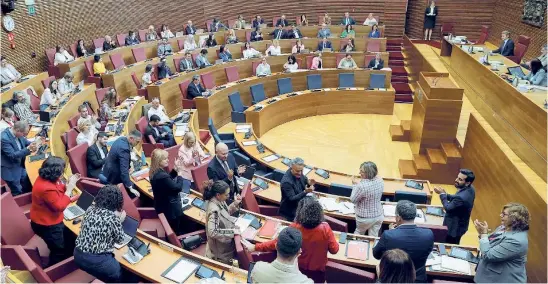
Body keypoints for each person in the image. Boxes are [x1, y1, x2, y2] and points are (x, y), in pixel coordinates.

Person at [244, 197, 337, 283]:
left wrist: (255, 247)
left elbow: (275, 243)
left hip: (298, 268)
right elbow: (334, 250)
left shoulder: (295, 227)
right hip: (317, 272)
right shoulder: (325, 228)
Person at [30, 156, 79, 266]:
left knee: (68, 239)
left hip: (50, 220)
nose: (62, 175)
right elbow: (59, 207)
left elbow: (58, 186)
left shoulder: (46, 177)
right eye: (61, 172)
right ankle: (54, 271)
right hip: (47, 225)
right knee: (58, 251)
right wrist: (70, 189)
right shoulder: (46, 188)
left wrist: (67, 185)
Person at [73, 185, 127, 282]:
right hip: (98, 262)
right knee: (119, 274)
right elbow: (120, 239)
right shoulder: (112, 218)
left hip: (78, 256)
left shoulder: (90, 208)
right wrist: (120, 220)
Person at [373, 200, 434, 282]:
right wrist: (394, 232)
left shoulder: (388, 235)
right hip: (418, 279)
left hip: (393, 279)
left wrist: (392, 232)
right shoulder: (428, 234)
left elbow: (376, 255)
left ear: (398, 218)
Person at [473, 203, 529, 283]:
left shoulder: (516, 241)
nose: (500, 215)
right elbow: (489, 242)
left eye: (504, 214)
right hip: (488, 276)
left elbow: (488, 255)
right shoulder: (503, 228)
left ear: (514, 218)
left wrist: (483, 234)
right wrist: (481, 233)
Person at [204, 180, 242, 264]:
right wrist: (232, 231)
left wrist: (235, 203)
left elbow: (225, 213)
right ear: (218, 195)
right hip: (220, 252)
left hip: (226, 245)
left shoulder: (220, 200)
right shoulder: (214, 210)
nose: (228, 196)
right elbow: (213, 232)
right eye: (226, 194)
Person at [433, 169, 476, 244]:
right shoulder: (470, 188)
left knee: (449, 246)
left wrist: (442, 195)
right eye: (457, 177)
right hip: (462, 225)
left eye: (460, 179)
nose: (456, 180)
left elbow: (448, 208)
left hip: (454, 229)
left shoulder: (462, 197)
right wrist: (446, 195)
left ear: (467, 183)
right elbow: (457, 198)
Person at [150, 149, 187, 234]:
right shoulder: (162, 175)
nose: (168, 160)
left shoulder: (154, 171)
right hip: (170, 210)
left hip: (162, 206)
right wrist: (180, 175)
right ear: (158, 160)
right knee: (175, 230)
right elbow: (177, 188)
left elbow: (167, 180)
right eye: (165, 159)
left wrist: (175, 170)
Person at [102, 129, 142, 197]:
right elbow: (123, 171)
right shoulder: (124, 148)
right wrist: (130, 187)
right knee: (136, 190)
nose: (137, 144)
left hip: (108, 169)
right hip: (114, 176)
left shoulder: (121, 139)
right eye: (137, 141)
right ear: (131, 138)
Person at [1, 121, 36, 195]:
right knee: (17, 189)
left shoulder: (18, 134)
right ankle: (19, 201)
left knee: (26, 180)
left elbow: (26, 142)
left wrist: (34, 144)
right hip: (9, 167)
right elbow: (12, 155)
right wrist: (28, 149)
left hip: (19, 163)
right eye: (24, 133)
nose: (24, 135)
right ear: (18, 130)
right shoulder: (4, 139)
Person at [350, 161, 384, 236]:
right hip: (378, 216)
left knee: (359, 233)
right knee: (373, 237)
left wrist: (354, 185)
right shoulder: (380, 180)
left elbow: (353, 200)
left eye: (361, 171)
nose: (359, 173)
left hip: (364, 218)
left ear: (368, 173)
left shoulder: (361, 186)